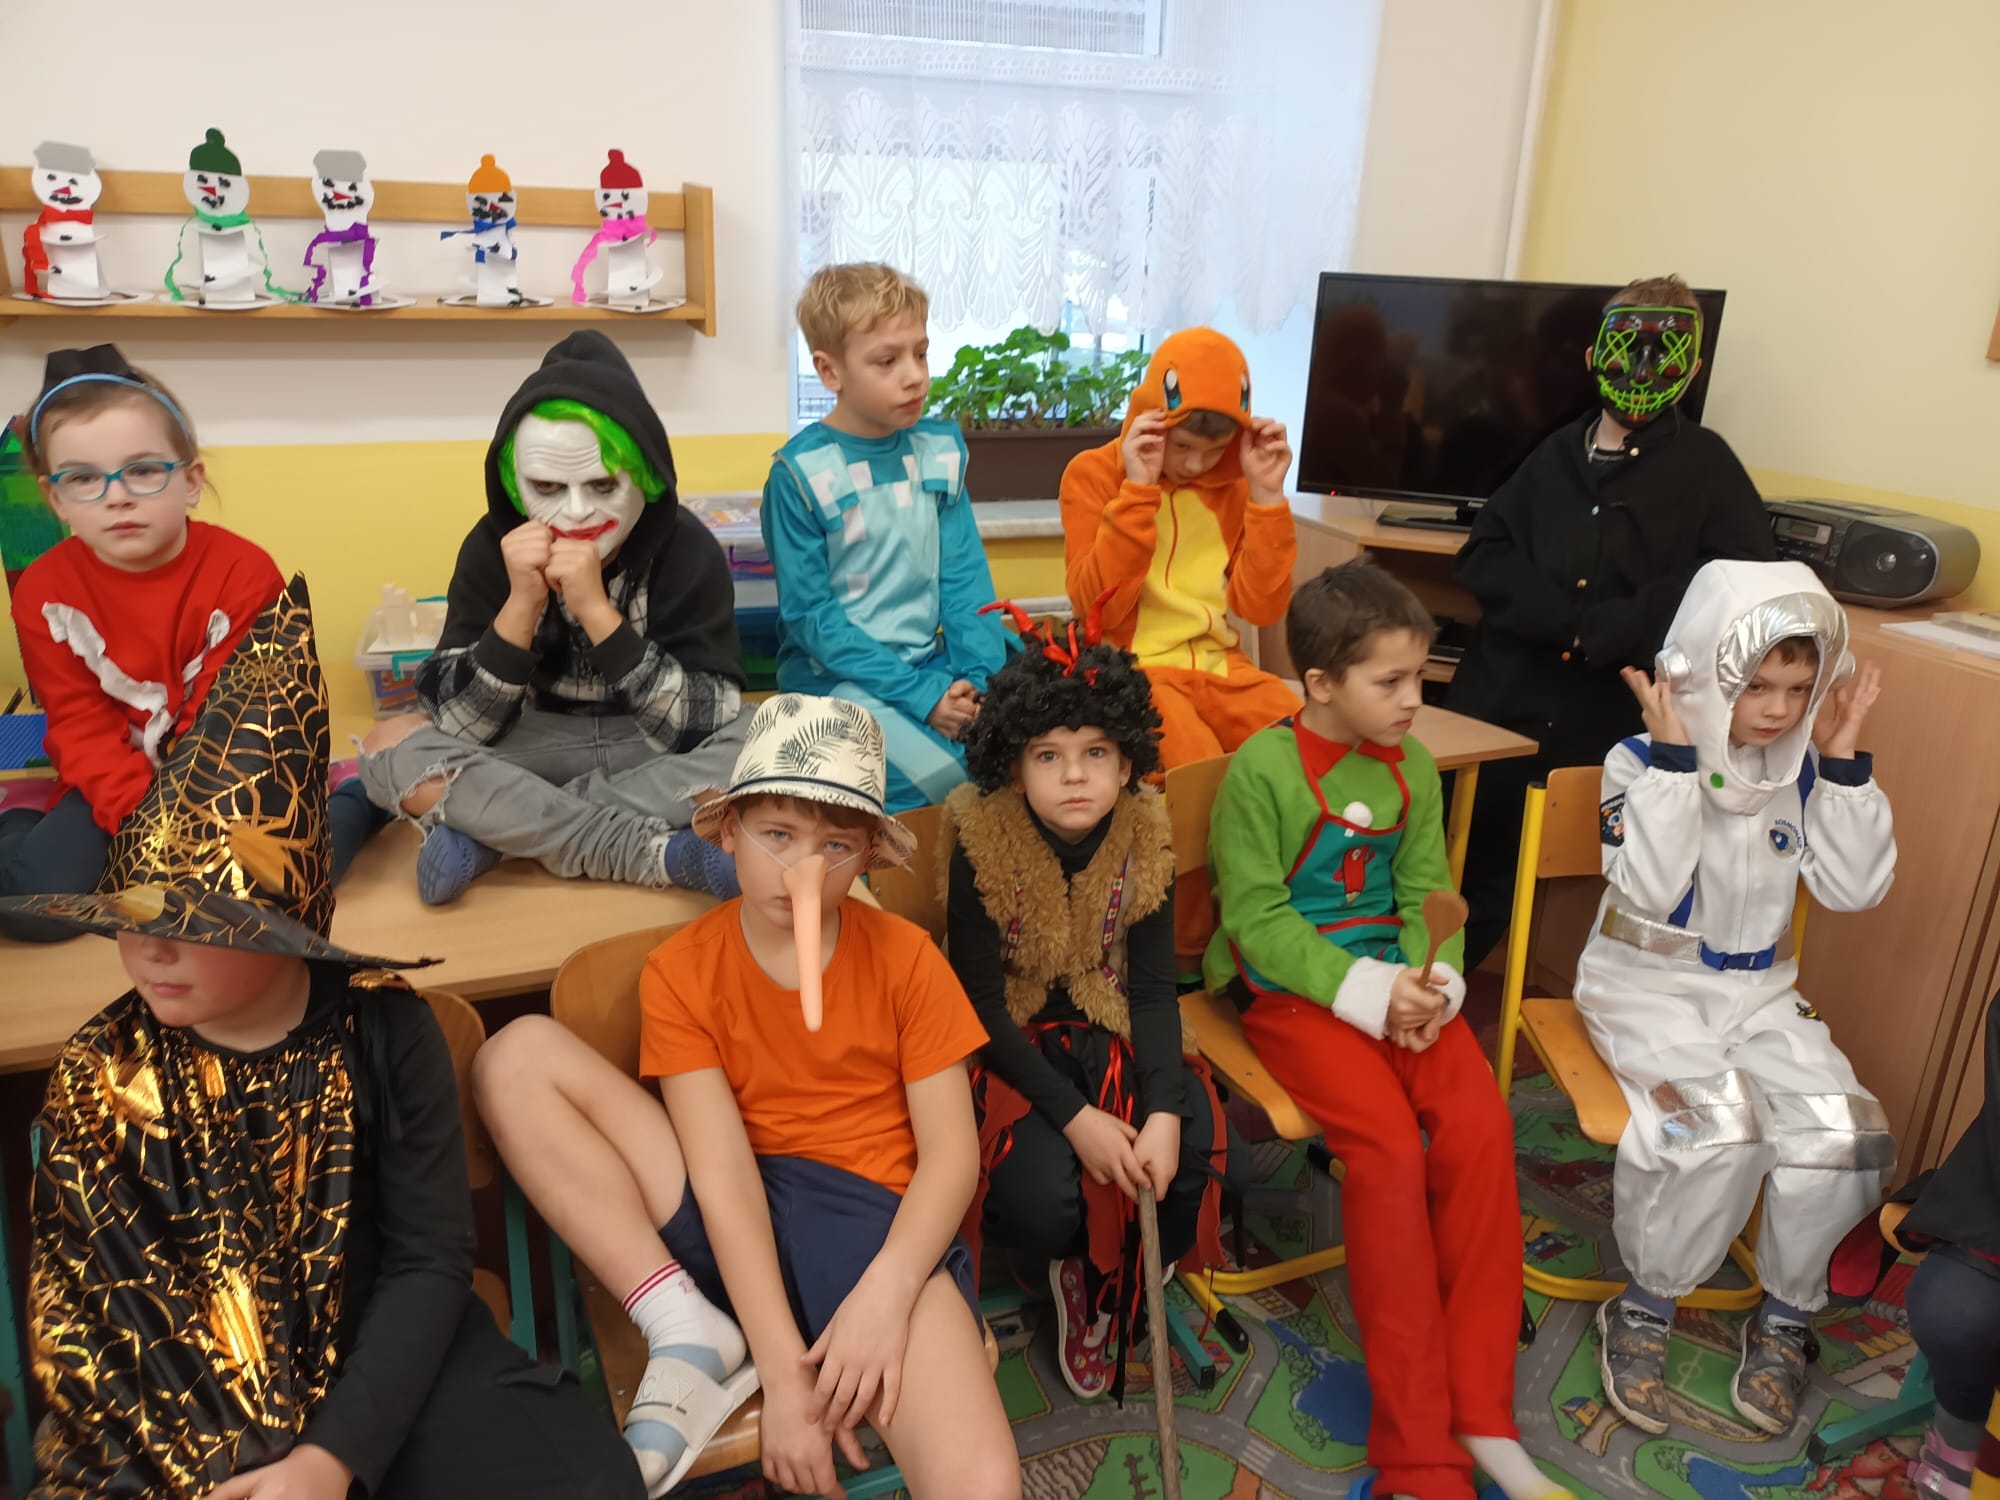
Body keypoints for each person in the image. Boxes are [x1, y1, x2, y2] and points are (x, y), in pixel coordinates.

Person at [2, 576, 641, 1500]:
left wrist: (330, 1457)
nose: (148, 952)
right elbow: (105, 1309)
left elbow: (427, 1260)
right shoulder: (106, 1070)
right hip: (184, 1400)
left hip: (384, 1360)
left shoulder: (383, 1029)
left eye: (191, 926)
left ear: (282, 925)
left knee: (579, 1479)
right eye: (131, 921)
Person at [473, 694, 1019, 1500]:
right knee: (513, 1057)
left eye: (835, 845)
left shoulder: (907, 959)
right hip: (726, 1219)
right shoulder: (682, 972)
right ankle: (686, 1326)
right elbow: (723, 1174)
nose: (803, 871)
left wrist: (888, 1293)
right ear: (729, 830)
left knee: (982, 1484)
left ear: (869, 854)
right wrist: (782, 1372)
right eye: (778, 836)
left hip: (871, 1231)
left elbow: (950, 1158)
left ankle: (810, 1319)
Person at [1206, 561, 1561, 1500]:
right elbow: (1258, 923)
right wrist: (1366, 991)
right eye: (1391, 681)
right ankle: (1417, 1457)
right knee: (1391, 1156)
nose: (1415, 700)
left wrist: (1431, 981)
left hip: (1401, 986)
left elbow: (1425, 892)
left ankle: (1483, 1418)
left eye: (1419, 677)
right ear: (1321, 683)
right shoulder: (1260, 772)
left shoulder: (1414, 768)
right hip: (1294, 994)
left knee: (1481, 1130)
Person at [1578, 559, 1896, 1439]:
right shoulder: (1637, 760)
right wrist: (1679, 762)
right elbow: (1648, 885)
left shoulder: (1803, 770)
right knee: (1715, 1129)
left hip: (1760, 993)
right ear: (1702, 674)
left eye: (1798, 689)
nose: (1778, 710)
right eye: (1756, 686)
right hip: (1647, 988)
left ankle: (1788, 1318)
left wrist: (1841, 762)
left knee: (1847, 1132)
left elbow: (1855, 889)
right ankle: (1644, 1305)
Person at [1445, 274, 1777, 966]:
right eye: (1628, 352)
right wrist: (1564, 623)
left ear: (1693, 368)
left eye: (1665, 358)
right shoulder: (1553, 454)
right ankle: (1415, 981)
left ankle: (1459, 987)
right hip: (1502, 698)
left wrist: (1613, 628)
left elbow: (1736, 578)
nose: (1643, 372)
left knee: (1539, 870)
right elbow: (1485, 553)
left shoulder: (1709, 467)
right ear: (1596, 357)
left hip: (1607, 716)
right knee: (1454, 850)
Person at [942, 603, 1229, 1401]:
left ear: (1127, 760)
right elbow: (979, 1006)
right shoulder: (980, 840)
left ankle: (1121, 1267)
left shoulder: (1144, 833)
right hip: (1012, 1038)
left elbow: (1153, 989)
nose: (1075, 775)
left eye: (1096, 752)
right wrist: (1076, 1119)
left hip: (1110, 1017)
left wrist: (1163, 1112)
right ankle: (1072, 1265)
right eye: (1049, 755)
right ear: (1013, 766)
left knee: (1192, 1150)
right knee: (1039, 1198)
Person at [356, 330, 748, 905]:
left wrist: (596, 612)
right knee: (387, 745)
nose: (578, 511)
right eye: (547, 487)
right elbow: (462, 727)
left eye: (602, 485)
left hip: (650, 750)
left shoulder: (687, 549)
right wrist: (521, 604)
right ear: (514, 485)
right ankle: (653, 852)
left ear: (645, 477)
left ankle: (502, 835)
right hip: (533, 745)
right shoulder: (491, 548)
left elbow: (701, 724)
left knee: (771, 739)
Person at [1, 345, 372, 945]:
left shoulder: (246, 574)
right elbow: (78, 725)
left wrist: (192, 833)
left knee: (271, 894)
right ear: (56, 499)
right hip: (114, 788)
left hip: (227, 779)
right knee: (35, 911)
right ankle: (20, 819)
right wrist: (149, 827)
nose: (117, 496)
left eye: (143, 470)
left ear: (191, 481)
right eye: (84, 478)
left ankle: (357, 799)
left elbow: (232, 725)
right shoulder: (43, 591)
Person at [761, 263, 1009, 812]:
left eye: (921, 353)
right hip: (834, 680)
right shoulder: (800, 476)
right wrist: (923, 697)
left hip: (929, 665)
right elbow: (812, 619)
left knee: (1015, 750)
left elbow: (966, 585)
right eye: (887, 361)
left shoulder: (938, 455)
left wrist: (979, 686)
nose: (914, 376)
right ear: (830, 371)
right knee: (948, 782)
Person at [1060, 326, 1301, 771]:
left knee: (1308, 746)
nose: (1195, 464)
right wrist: (1137, 491)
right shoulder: (1092, 474)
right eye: (1183, 445)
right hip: (1133, 669)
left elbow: (1262, 608)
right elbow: (1097, 608)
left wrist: (1268, 498)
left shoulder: (1237, 485)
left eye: (1215, 450)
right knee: (1196, 769)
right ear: (1152, 420)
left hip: (1221, 665)